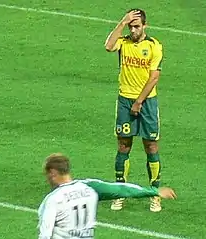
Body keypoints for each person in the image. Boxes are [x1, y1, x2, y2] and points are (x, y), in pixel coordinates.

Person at [104, 8, 163, 212]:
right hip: (125, 100)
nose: (133, 29)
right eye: (131, 26)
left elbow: (153, 77)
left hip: (146, 102)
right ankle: (120, 193)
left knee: (151, 147)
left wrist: (139, 101)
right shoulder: (124, 42)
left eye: (136, 26)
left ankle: (155, 194)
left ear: (145, 26)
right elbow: (108, 46)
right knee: (123, 146)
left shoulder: (154, 46)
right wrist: (121, 22)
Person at [38, 153, 176, 239]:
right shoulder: (89, 189)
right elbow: (121, 189)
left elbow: (45, 234)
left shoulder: (52, 200)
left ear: (53, 173)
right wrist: (153, 191)